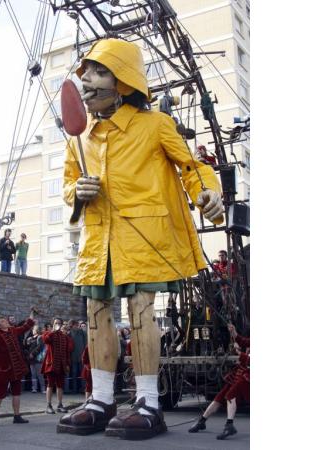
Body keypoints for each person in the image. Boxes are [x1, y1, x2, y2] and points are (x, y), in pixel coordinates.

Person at [57, 38, 223, 439]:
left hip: (144, 233)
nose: (88, 83)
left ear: (124, 80)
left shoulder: (155, 125)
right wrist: (76, 191)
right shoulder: (81, 138)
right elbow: (68, 185)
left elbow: (192, 165)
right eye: (85, 75)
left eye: (98, 73)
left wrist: (207, 192)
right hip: (100, 240)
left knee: (141, 310)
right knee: (96, 315)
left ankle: (147, 401)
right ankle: (100, 399)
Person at [188, 324, 250, 440]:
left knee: (230, 396)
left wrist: (239, 354)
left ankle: (229, 425)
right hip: (240, 373)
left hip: (247, 377)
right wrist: (234, 331)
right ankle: (202, 421)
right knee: (219, 396)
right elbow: (242, 340)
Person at [0, 312, 35, 426]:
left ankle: (17, 416)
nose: (6, 321)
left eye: (5, 320)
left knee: (17, 393)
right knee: (0, 394)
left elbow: (25, 327)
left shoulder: (13, 331)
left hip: (16, 369)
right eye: (3, 321)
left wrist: (32, 315)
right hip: (3, 370)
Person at [42, 317, 73, 414]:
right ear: (53, 324)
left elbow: (68, 351)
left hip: (62, 365)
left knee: (60, 386)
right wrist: (53, 331)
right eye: (56, 323)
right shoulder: (48, 333)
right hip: (51, 364)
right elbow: (45, 340)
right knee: (50, 385)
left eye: (59, 323)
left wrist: (68, 364)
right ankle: (48, 405)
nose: (58, 324)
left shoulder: (65, 337)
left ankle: (60, 405)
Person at [24, 325, 46, 393]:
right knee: (33, 374)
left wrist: (32, 354)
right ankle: (34, 388)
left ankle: (43, 389)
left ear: (36, 330)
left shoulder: (40, 337)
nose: (32, 331)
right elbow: (27, 346)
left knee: (40, 375)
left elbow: (40, 347)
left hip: (37, 359)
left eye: (33, 329)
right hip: (31, 360)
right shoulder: (31, 338)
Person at [67, 320, 87, 394]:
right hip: (73, 357)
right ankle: (74, 389)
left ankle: (83, 388)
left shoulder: (82, 333)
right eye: (75, 325)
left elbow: (85, 344)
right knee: (74, 373)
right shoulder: (69, 334)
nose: (77, 326)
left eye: (77, 325)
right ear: (71, 325)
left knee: (82, 374)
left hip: (82, 357)